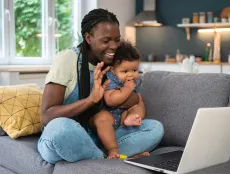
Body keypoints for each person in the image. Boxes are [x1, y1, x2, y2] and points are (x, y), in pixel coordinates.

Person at [37, 8, 164, 164]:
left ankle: (102, 155)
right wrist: (90, 100)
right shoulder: (68, 58)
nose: (114, 46)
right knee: (61, 127)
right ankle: (107, 159)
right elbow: (46, 116)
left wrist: (131, 99)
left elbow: (133, 98)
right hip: (65, 135)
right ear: (89, 38)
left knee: (154, 128)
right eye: (106, 41)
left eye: (117, 40)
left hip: (98, 137)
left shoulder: (114, 61)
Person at [91, 41, 146, 159]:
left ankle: (132, 118)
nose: (131, 75)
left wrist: (135, 109)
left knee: (140, 105)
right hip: (109, 117)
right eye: (125, 71)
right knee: (102, 118)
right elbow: (110, 100)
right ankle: (113, 150)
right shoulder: (110, 79)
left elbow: (136, 99)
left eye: (134, 70)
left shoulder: (136, 80)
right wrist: (126, 89)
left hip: (124, 120)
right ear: (112, 70)